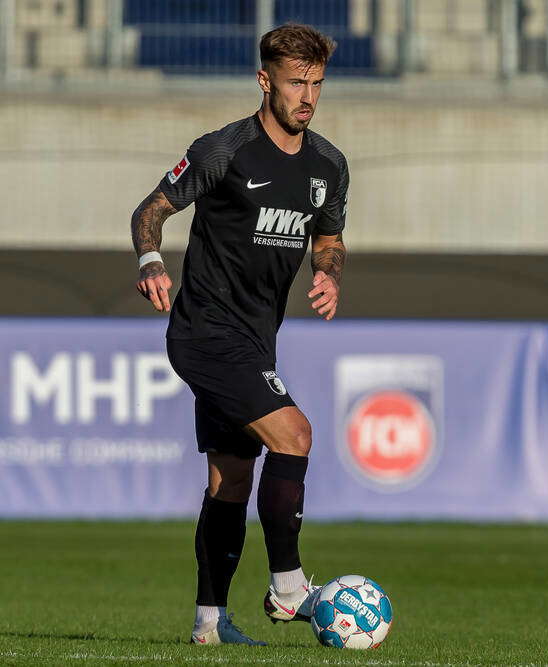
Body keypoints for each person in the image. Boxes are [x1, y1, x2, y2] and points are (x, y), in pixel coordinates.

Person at [128, 23, 348, 646]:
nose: (307, 96)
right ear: (265, 81)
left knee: (230, 480)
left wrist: (328, 275)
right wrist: (151, 264)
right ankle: (288, 586)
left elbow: (328, 239)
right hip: (204, 332)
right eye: (296, 82)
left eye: (317, 84)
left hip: (257, 339)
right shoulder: (223, 151)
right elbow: (150, 212)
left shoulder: (329, 165)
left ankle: (209, 621)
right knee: (296, 434)